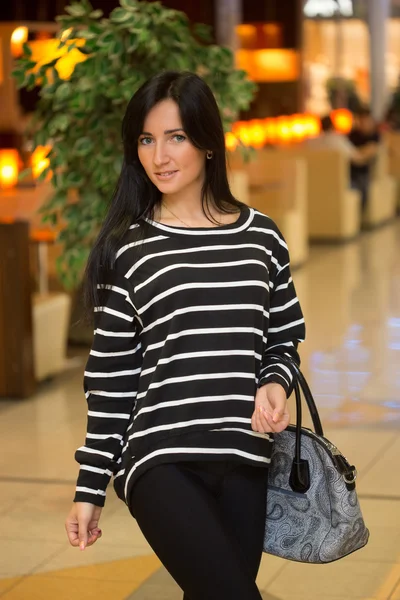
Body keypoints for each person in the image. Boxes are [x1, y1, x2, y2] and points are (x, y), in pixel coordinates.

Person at [65, 71, 306, 600]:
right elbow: (111, 378)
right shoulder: (129, 249)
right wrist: (90, 489)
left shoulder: (261, 237)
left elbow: (282, 337)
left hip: (244, 456)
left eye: (175, 137)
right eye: (146, 140)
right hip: (160, 458)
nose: (159, 156)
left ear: (207, 142)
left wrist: (274, 383)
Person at [348, 107, 381, 211]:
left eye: (366, 120)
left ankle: (361, 214)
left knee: (362, 187)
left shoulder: (374, 135)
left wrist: (357, 154)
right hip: (349, 170)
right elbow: (349, 151)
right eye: (361, 120)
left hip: (364, 171)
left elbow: (369, 152)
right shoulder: (352, 135)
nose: (363, 123)